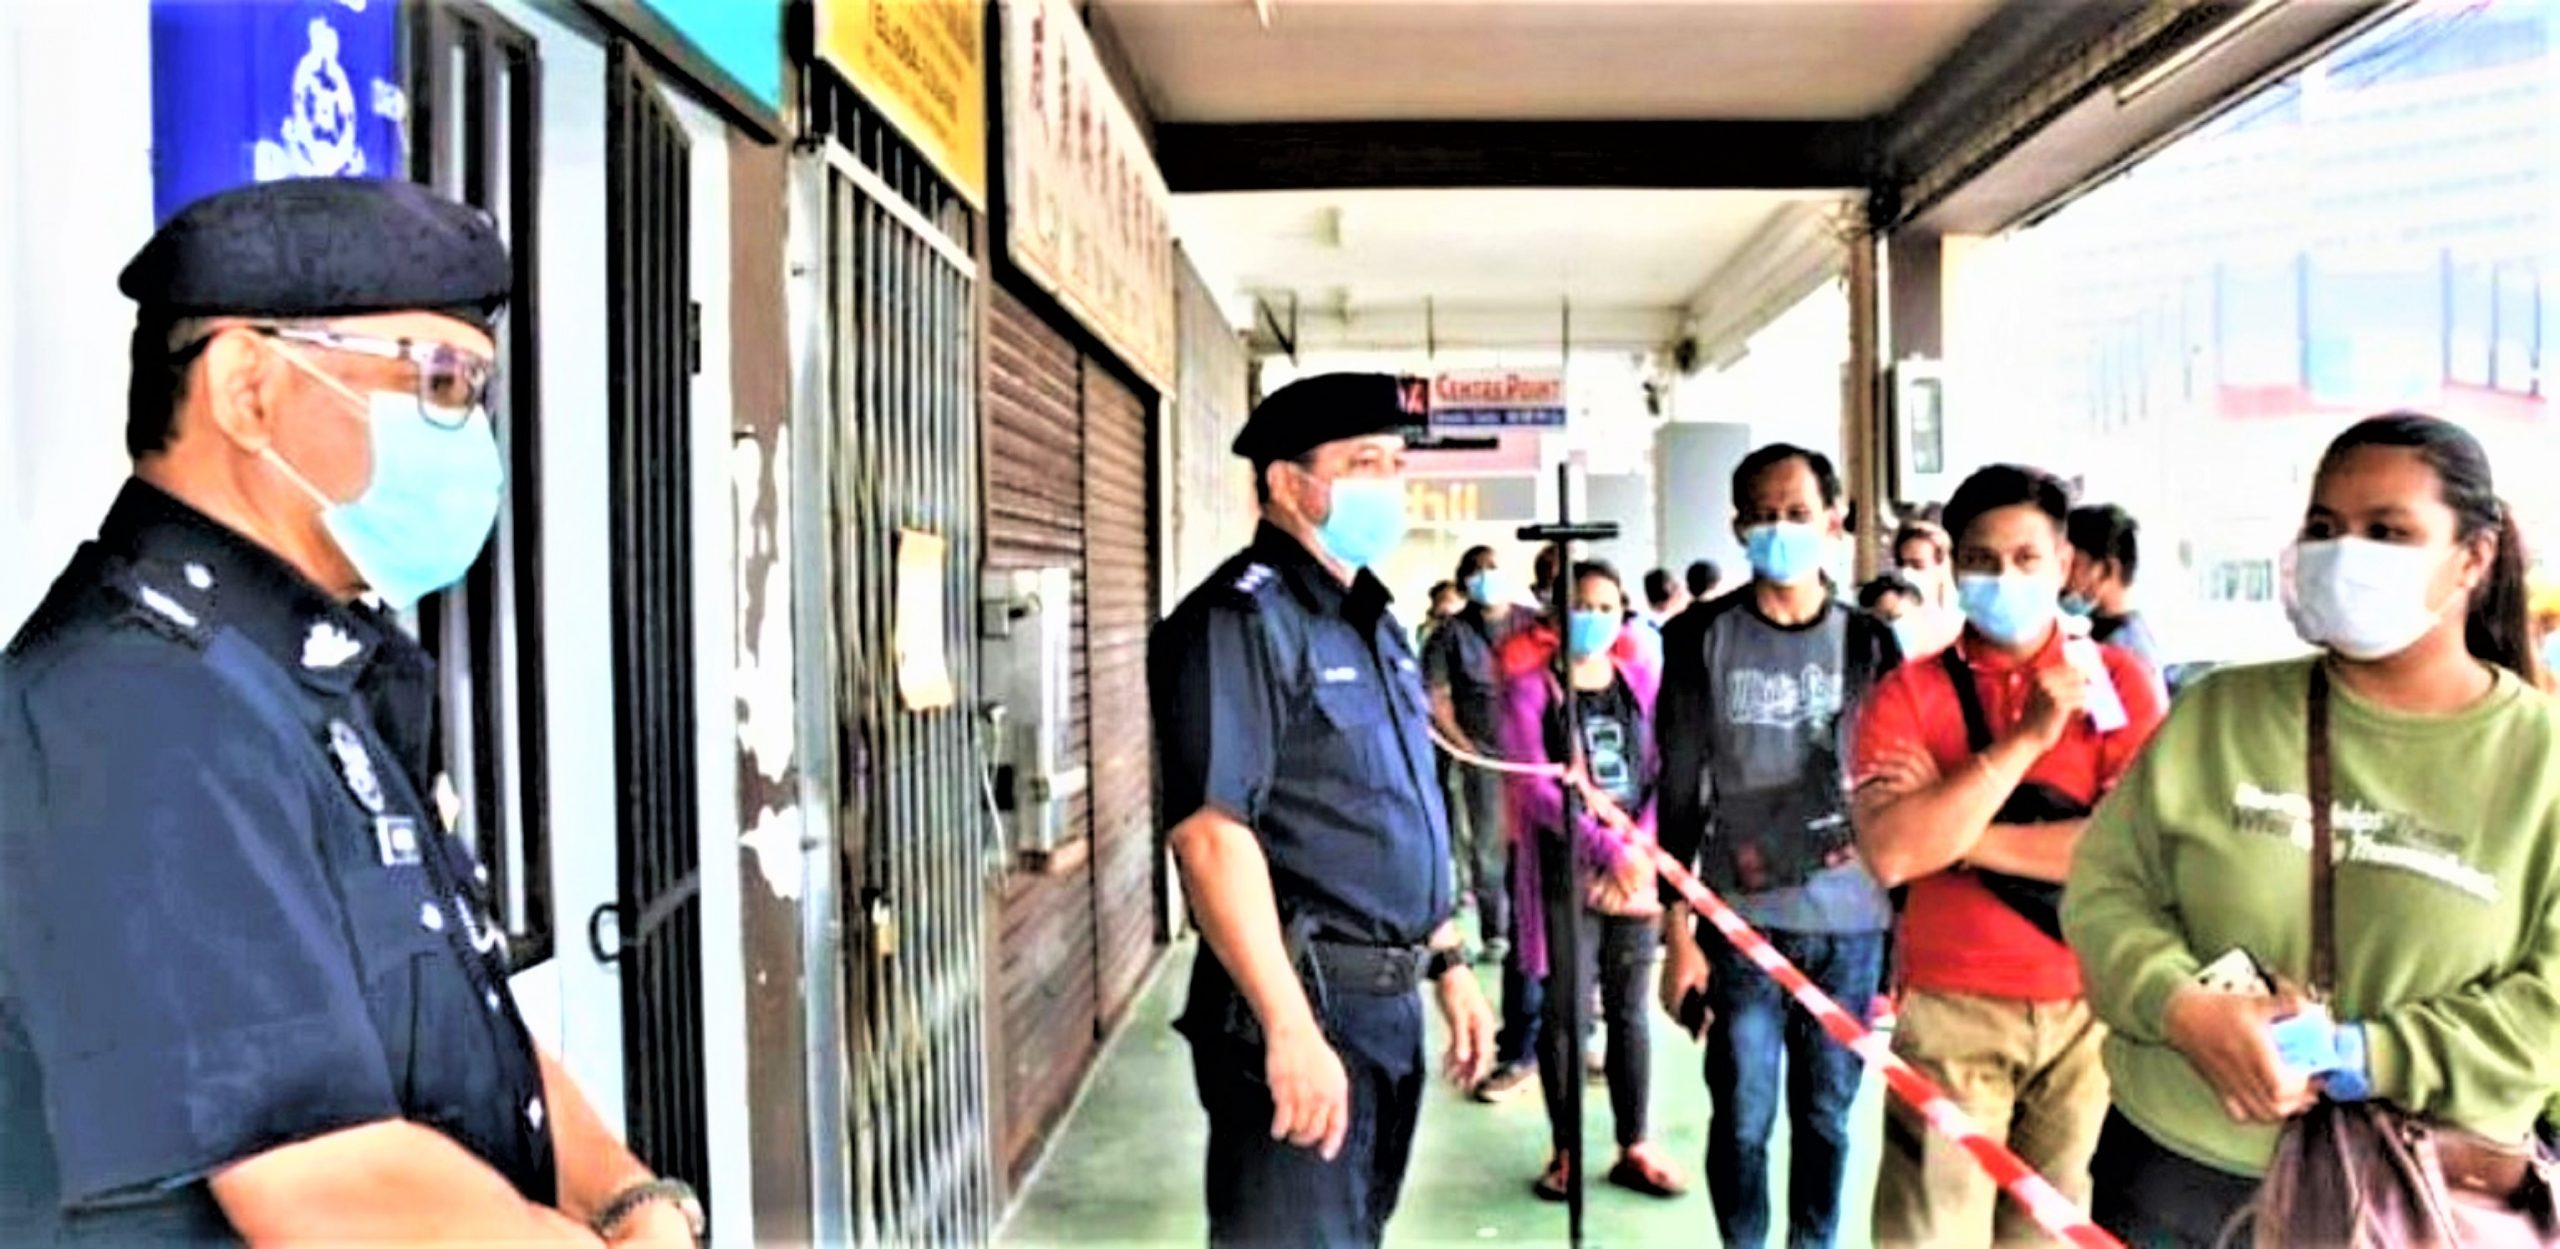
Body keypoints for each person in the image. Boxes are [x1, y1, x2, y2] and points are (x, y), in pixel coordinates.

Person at [0, 179, 699, 1245]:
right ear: (249, 389)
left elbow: (477, 1033)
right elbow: (325, 1185)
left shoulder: (309, 683)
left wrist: (627, 1199)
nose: (471, 434)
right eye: (442, 381)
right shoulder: (131, 709)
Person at [2064, 413, 2560, 1247]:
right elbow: (2105, 891)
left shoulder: (2541, 760)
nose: (2344, 553)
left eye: (2388, 531)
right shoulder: (2220, 715)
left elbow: (2549, 1004)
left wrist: (2365, 1053)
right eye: (2325, 527)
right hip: (2176, 1180)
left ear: (2473, 557)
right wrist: (2180, 1006)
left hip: (2417, 1194)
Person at [1149, 372, 1498, 1247]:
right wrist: (1289, 1026)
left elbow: (1398, 806)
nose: (1391, 483)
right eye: (1364, 463)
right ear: (1286, 482)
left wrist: (1448, 957)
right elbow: (1210, 835)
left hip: (1386, 1007)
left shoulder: (1370, 620)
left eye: (1396, 463)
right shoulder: (1240, 620)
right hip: (1304, 1002)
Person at [1851, 464, 2168, 1246]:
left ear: (2064, 563)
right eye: (1981, 560)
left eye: (2027, 557)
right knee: (1930, 1233)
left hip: (2088, 1009)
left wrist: (1955, 831)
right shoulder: (1909, 693)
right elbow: (1893, 852)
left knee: (2050, 1231)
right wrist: (2027, 740)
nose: (2005, 577)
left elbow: (2129, 854)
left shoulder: (2119, 683)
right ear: (1953, 568)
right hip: (1949, 1008)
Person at [1655, 444, 1905, 1249]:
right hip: (1741, 925)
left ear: (1834, 520)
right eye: (1763, 514)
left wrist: (1904, 936)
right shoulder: (1698, 636)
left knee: (1828, 1118)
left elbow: (1897, 791)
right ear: (1738, 526)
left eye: (1797, 512)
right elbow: (1680, 791)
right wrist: (1677, 932)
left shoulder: (1871, 643)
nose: (1780, 528)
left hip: (1853, 924)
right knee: (1742, 1117)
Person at [1498, 561, 1688, 1201]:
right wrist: (1607, 849)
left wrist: (1638, 849)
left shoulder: (1640, 680)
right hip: (1565, 873)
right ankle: (1566, 1150)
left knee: (1630, 1011)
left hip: (1634, 870)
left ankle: (1635, 1144)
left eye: (1607, 606)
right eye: (1581, 605)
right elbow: (1534, 786)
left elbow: (1661, 768)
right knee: (1566, 1012)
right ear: (1554, 614)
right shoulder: (1531, 690)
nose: (1595, 617)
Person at [1424, 547, 1524, 976]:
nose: (1487, 576)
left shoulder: (1531, 623)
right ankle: (1496, 931)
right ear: (1464, 582)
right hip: (1482, 757)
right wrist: (1463, 746)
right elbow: (1436, 697)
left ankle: (1531, 927)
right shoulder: (1450, 635)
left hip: (1535, 759)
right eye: (1477, 571)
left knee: (1536, 847)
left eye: (1493, 568)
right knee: (1488, 848)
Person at [2063, 504, 2165, 672]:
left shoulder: (2129, 651)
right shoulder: (2091, 633)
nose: (2063, 577)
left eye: (2073, 565)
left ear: (2107, 570)